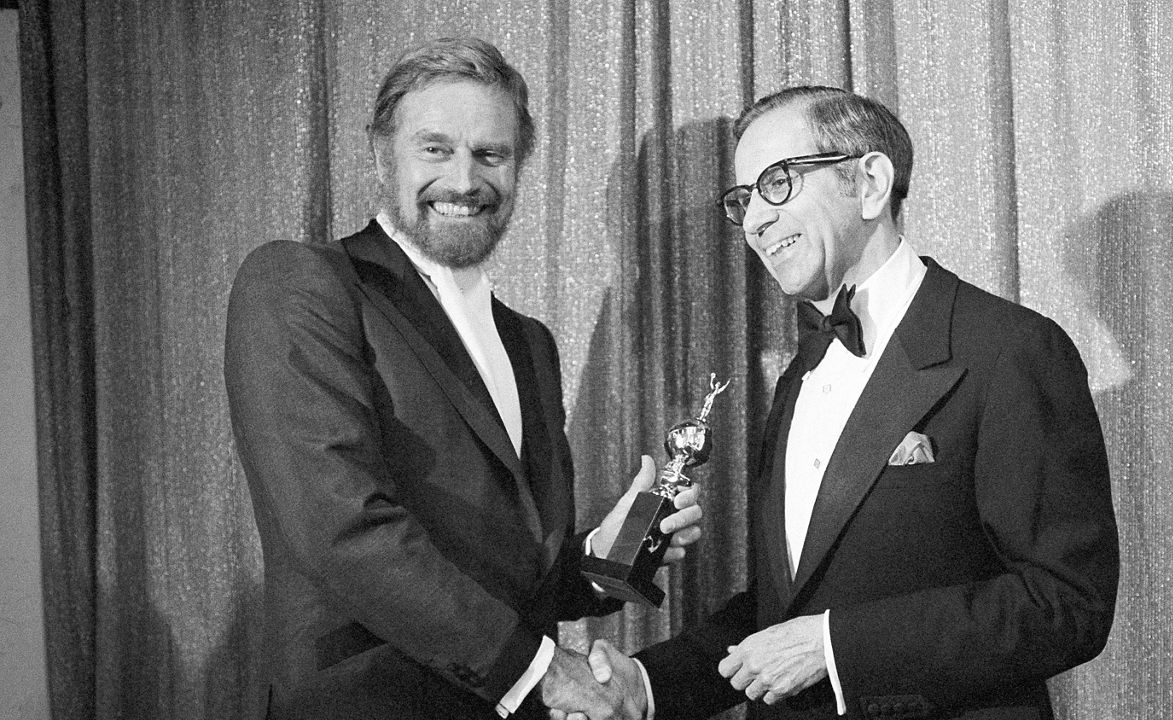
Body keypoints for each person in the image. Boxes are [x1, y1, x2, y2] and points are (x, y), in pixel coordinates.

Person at [580, 86, 1120, 719]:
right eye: (744, 198)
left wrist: (837, 648)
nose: (754, 220)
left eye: (777, 182)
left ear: (870, 183)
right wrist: (646, 685)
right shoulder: (798, 375)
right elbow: (783, 612)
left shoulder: (1009, 350)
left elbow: (1066, 603)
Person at [224, 37, 698, 720]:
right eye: (436, 149)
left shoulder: (529, 341)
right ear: (380, 155)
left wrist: (610, 551)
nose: (465, 180)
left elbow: (520, 575)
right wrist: (545, 671)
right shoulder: (300, 283)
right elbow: (345, 533)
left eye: (491, 154)